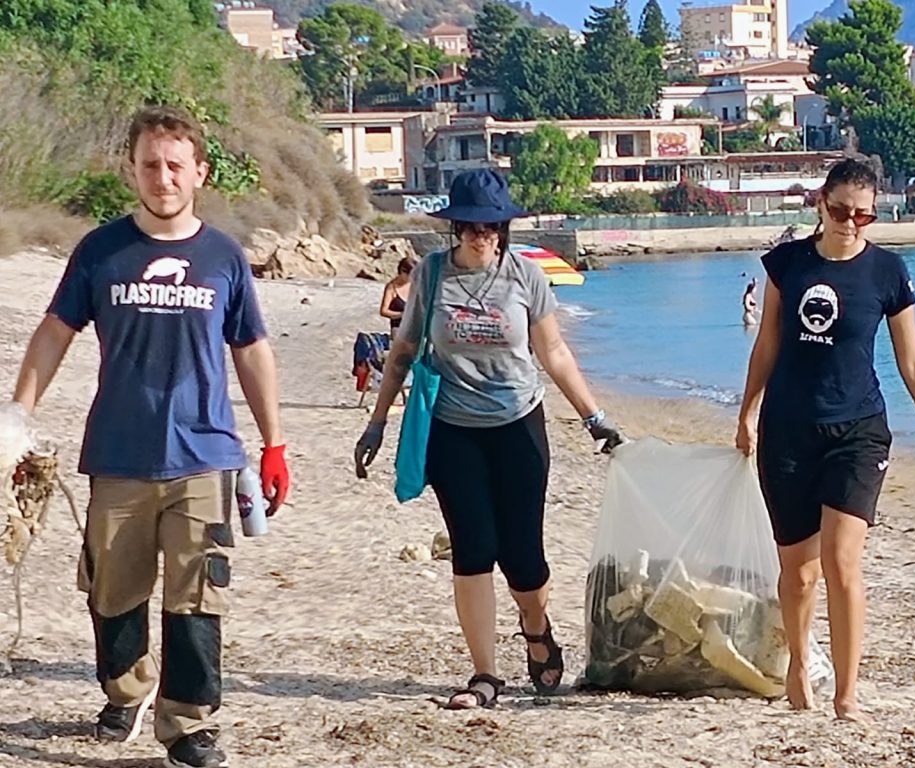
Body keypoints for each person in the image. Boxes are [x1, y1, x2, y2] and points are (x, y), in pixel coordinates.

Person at [9, 105, 289, 768]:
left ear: (200, 171)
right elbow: (55, 331)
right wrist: (18, 412)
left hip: (204, 454)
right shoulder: (102, 250)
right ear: (132, 170)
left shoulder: (223, 256)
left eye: (174, 165)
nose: (162, 178)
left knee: (197, 595)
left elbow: (251, 348)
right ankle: (125, 691)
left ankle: (188, 725)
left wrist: (274, 443)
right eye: (150, 165)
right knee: (112, 592)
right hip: (119, 453)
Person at [353, 169, 622, 709]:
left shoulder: (525, 277)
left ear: (503, 227)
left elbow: (555, 354)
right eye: (471, 225)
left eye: (491, 225)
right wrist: (377, 422)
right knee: (473, 549)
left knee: (523, 556)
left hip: (519, 426)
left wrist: (595, 420)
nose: (481, 234)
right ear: (456, 226)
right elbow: (403, 351)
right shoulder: (430, 276)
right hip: (453, 432)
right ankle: (484, 675)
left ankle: (535, 623)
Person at [735, 158, 915, 722]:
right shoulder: (787, 264)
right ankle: (795, 661)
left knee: (841, 563)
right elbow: (767, 345)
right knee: (800, 571)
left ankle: (846, 693)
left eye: (864, 215)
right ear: (821, 204)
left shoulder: (887, 273)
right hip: (788, 429)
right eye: (841, 211)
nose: (851, 223)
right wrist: (746, 412)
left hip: (858, 430)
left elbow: (912, 361)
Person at [379, 256, 416, 340]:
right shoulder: (391, 288)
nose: (412, 279)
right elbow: (383, 311)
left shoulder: (414, 285)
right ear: (402, 271)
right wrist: (401, 315)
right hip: (398, 328)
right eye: (410, 276)